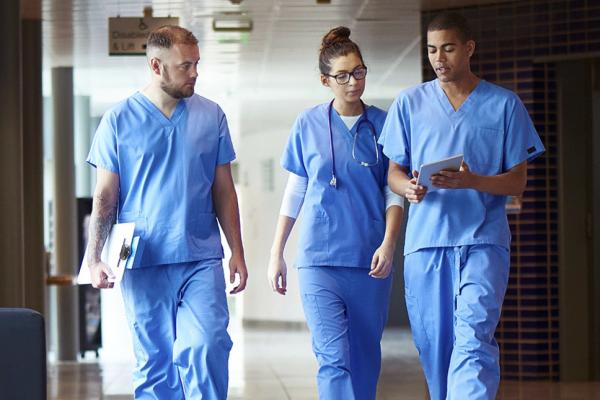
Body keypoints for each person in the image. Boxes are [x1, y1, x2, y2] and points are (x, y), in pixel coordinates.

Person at [379, 12, 545, 400]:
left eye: (449, 48)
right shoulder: (410, 103)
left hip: (483, 241)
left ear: (469, 48)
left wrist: (473, 180)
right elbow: (393, 174)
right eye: (433, 49)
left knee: (473, 337)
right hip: (426, 244)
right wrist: (410, 189)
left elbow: (518, 180)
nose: (440, 58)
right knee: (435, 348)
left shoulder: (504, 105)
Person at [85, 25, 248, 399]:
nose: (195, 73)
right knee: (155, 364)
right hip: (142, 258)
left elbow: (223, 190)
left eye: (197, 64)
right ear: (156, 66)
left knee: (206, 346)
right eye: (185, 66)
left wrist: (236, 250)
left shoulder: (212, 116)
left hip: (200, 256)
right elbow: (105, 197)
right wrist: (94, 258)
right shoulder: (118, 121)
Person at [267, 27, 404, 400]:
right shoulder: (308, 124)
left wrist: (390, 244)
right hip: (319, 260)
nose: (353, 82)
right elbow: (296, 189)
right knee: (333, 358)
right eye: (342, 75)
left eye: (358, 71)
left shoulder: (383, 123)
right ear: (325, 80)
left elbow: (393, 189)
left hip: (368, 259)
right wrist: (277, 251)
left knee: (364, 358)